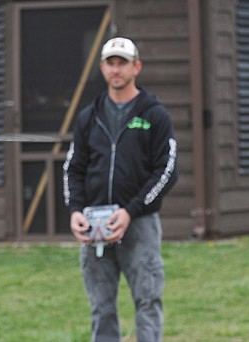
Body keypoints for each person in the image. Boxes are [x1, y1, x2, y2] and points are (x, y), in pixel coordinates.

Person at [63, 36, 178, 342]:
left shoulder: (154, 114)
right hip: (95, 226)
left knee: (148, 299)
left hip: (139, 224)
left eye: (122, 63)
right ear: (102, 68)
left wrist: (131, 211)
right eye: (110, 63)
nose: (116, 70)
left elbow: (167, 171)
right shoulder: (89, 116)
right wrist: (75, 211)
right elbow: (74, 168)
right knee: (101, 307)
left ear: (136, 67)